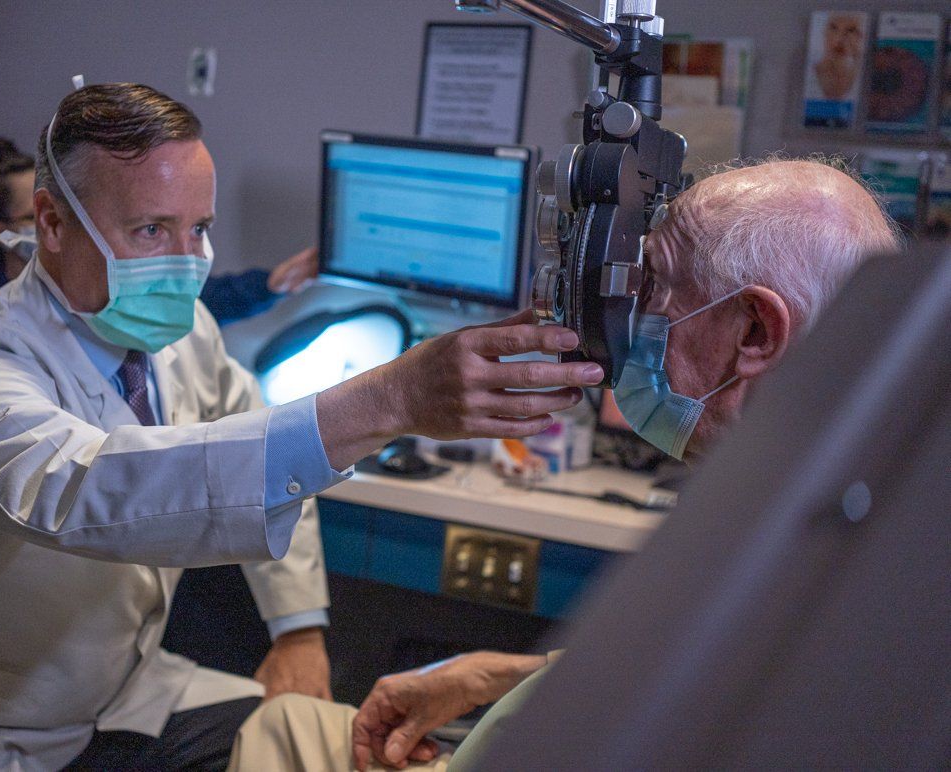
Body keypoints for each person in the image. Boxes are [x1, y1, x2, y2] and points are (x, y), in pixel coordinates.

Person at [0, 83, 601, 770]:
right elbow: (90, 488)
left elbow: (264, 438)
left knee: (356, 749)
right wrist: (386, 401)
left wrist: (298, 628)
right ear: (50, 221)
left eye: (199, 229)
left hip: (125, 700)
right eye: (151, 231)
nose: (187, 262)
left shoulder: (183, 335)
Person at [225, 157, 902, 772]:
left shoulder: (821, 575)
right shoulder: (811, 514)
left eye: (653, 285)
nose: (621, 321)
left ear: (754, 330)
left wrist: (397, 398)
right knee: (288, 724)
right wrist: (511, 674)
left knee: (273, 732)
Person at [0, 136, 318, 322]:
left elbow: (191, 300)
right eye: (40, 217)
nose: (63, 222)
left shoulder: (91, 279)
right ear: (2, 232)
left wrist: (272, 285)